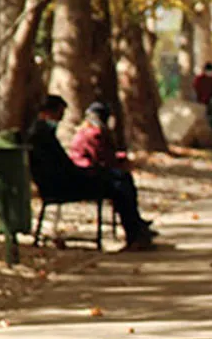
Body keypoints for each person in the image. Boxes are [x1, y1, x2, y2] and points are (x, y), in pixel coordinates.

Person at [26, 95, 155, 251]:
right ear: (48, 112)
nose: (60, 119)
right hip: (61, 185)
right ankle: (135, 233)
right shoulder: (41, 135)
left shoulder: (43, 132)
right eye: (59, 114)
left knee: (121, 178)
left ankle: (137, 229)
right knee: (119, 184)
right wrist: (88, 173)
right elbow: (60, 167)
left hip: (65, 179)